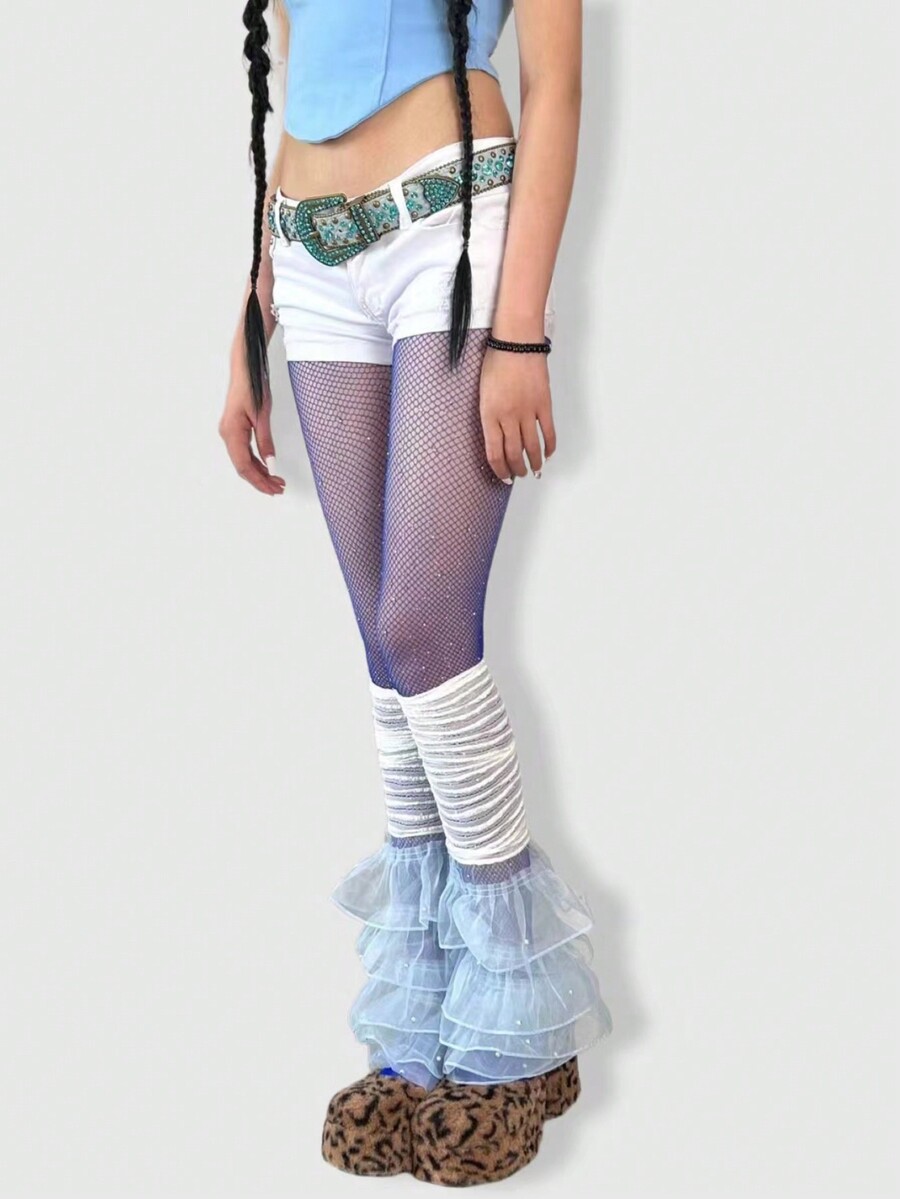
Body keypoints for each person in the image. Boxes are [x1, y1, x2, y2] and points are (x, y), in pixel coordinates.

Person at [218, 0, 611, 1185]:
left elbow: (557, 85)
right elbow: (300, 55)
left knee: (423, 627)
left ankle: (515, 1028)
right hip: (309, 250)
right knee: (389, 657)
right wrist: (251, 312)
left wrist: (523, 331)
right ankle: (423, 1026)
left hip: (453, 226)